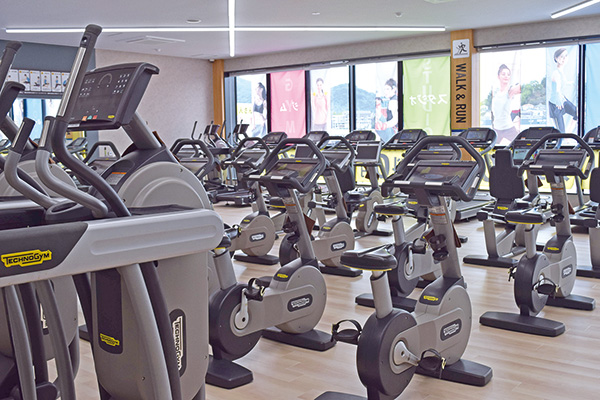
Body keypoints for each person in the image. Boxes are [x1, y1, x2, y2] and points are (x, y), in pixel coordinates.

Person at [549, 48, 578, 133]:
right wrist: (559, 101)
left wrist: (572, 83)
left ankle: (568, 133)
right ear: (556, 58)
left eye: (566, 56)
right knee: (560, 132)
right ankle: (564, 137)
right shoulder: (556, 73)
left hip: (562, 99)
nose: (564, 58)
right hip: (556, 103)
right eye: (561, 56)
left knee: (577, 113)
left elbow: (563, 83)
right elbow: (557, 90)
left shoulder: (561, 71)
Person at [491, 64, 521, 145]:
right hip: (496, 130)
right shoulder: (495, 92)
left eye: (508, 74)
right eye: (503, 74)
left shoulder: (510, 90)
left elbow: (521, 87)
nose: (506, 76)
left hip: (508, 129)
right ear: (498, 76)